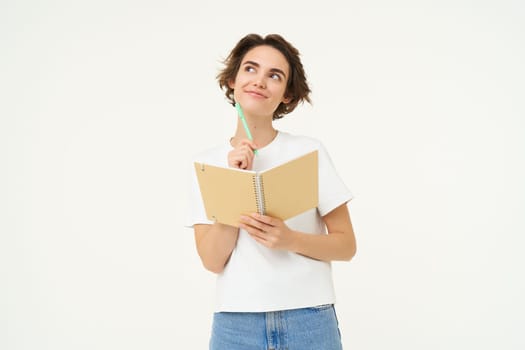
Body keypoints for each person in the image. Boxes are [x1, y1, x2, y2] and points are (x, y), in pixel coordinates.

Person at [187, 33, 356, 350]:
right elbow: (212, 261)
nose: (259, 81)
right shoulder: (207, 162)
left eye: (274, 75)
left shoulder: (309, 152)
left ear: (288, 95)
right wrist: (234, 183)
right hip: (236, 324)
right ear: (232, 80)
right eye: (250, 69)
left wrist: (290, 240)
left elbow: (346, 245)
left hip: (309, 318)